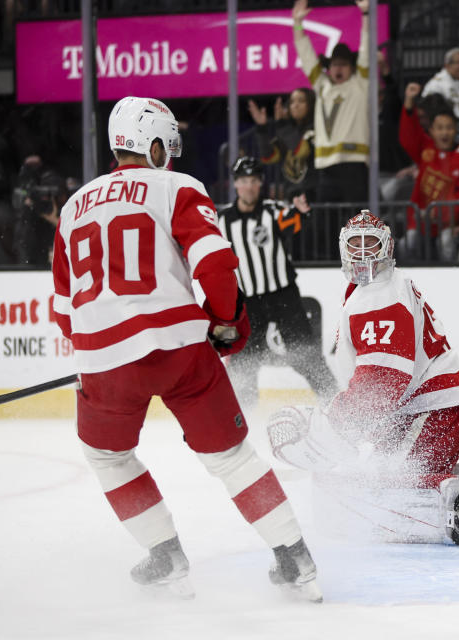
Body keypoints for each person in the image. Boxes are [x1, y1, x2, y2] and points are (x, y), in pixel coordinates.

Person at [50, 96, 321, 600]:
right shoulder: (176, 186)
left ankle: (165, 553)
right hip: (179, 347)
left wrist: (96, 352)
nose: (169, 154)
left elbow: (64, 310)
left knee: (108, 457)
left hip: (104, 361)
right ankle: (295, 558)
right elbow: (216, 265)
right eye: (165, 143)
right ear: (149, 143)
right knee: (232, 457)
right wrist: (226, 322)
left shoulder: (70, 208)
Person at [266, 211, 459, 545]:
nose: (363, 252)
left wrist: (336, 425)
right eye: (355, 244)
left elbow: (383, 381)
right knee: (375, 471)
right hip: (430, 408)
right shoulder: (382, 286)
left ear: (387, 247)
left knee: (387, 484)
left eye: (370, 243)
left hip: (434, 411)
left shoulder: (378, 297)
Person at [215, 156, 338, 409]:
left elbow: (295, 218)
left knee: (307, 355)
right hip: (249, 303)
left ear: (260, 184)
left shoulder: (273, 212)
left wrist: (303, 211)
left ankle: (336, 404)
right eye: (244, 181)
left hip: (283, 297)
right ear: (236, 184)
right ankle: (245, 416)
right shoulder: (223, 221)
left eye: (254, 181)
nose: (249, 186)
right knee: (243, 361)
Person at [292, 0, 370, 205]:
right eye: (335, 64)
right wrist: (297, 23)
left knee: (358, 227)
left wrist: (366, 15)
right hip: (325, 167)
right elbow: (306, 54)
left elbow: (366, 49)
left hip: (354, 165)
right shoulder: (322, 85)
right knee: (327, 224)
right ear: (329, 67)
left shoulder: (359, 84)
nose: (339, 69)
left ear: (352, 67)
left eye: (344, 65)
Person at [399, 82, 459, 260]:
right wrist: (409, 103)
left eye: (449, 128)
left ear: (455, 130)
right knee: (407, 242)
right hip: (421, 221)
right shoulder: (426, 149)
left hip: (451, 224)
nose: (445, 133)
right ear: (432, 131)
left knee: (446, 242)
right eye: (440, 128)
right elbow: (408, 136)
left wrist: (442, 213)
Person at [246, 87, 317, 196]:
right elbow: (268, 156)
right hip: (291, 195)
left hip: (314, 196)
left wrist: (281, 124)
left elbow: (301, 150)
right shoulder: (286, 130)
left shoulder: (316, 129)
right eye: (292, 102)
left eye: (301, 101)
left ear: (311, 104)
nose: (295, 105)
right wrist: (262, 129)